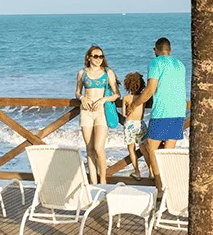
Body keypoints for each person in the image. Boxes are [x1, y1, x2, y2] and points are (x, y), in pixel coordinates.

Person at [130, 37, 186, 191]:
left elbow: (150, 89)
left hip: (162, 111)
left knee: (152, 149)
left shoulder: (155, 63)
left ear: (155, 50)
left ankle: (160, 187)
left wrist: (134, 104)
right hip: (179, 111)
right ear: (170, 49)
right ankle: (171, 189)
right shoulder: (180, 64)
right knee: (169, 153)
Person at [75, 45, 119, 183]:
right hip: (86, 112)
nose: (99, 59)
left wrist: (103, 99)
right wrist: (82, 98)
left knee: (99, 148)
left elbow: (116, 94)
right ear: (89, 57)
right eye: (95, 56)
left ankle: (103, 181)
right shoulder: (82, 73)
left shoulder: (108, 72)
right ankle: (93, 183)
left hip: (101, 112)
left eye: (101, 56)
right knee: (89, 149)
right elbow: (77, 92)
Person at [120, 72, 148, 179]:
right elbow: (143, 113)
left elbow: (123, 113)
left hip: (129, 124)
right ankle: (151, 171)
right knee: (144, 149)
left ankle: (137, 172)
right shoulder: (142, 98)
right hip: (140, 123)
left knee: (131, 149)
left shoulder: (126, 98)